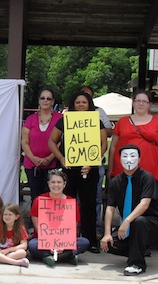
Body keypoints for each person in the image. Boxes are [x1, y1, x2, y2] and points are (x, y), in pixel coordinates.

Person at [48, 91, 108, 253]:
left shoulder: (97, 121)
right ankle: (66, 237)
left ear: (89, 104)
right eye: (78, 102)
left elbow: (104, 144)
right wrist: (61, 158)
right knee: (67, 204)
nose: (81, 105)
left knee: (88, 204)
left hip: (90, 168)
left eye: (84, 102)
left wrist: (92, 162)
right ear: (73, 105)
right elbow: (52, 141)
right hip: (69, 169)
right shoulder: (64, 120)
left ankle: (90, 240)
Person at [101, 144, 158, 276]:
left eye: (133, 156)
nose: (128, 160)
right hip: (130, 227)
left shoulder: (147, 178)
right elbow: (110, 208)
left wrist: (126, 221)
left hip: (151, 224)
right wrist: (107, 233)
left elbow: (144, 203)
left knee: (139, 221)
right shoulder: (116, 182)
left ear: (139, 159)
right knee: (108, 244)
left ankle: (137, 263)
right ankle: (139, 249)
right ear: (119, 159)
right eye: (124, 156)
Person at [28, 170, 90, 267]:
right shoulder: (39, 200)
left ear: (64, 184)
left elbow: (73, 227)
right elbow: (37, 225)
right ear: (48, 184)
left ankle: (50, 257)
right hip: (44, 239)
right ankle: (68, 255)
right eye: (53, 182)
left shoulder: (71, 202)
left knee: (84, 242)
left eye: (59, 182)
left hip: (65, 240)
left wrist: (63, 244)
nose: (56, 185)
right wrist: (49, 243)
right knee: (32, 245)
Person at [80, 85, 114, 240]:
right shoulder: (69, 115)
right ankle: (75, 228)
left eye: (88, 96)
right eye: (82, 96)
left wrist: (95, 127)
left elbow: (108, 132)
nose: (83, 100)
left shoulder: (99, 112)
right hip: (74, 162)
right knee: (75, 198)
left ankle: (96, 228)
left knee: (96, 197)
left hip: (95, 162)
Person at [21, 89, 63, 203]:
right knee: (35, 196)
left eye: (48, 98)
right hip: (32, 165)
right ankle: (35, 220)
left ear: (53, 101)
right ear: (39, 100)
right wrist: (34, 158)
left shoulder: (60, 118)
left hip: (53, 163)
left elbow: (61, 141)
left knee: (52, 195)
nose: (45, 100)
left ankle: (51, 220)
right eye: (42, 98)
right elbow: (24, 141)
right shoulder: (30, 119)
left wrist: (49, 158)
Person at [108, 91, 158, 180]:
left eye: (144, 101)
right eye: (138, 101)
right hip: (123, 170)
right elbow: (113, 146)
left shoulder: (156, 122)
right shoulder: (122, 122)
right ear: (133, 103)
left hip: (150, 170)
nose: (141, 104)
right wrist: (110, 169)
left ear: (149, 104)